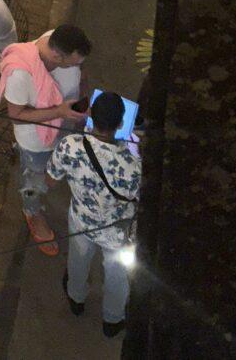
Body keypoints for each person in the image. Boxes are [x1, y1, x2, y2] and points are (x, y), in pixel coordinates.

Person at [49, 91, 141, 336]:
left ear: (90, 115)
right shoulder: (133, 166)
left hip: (81, 220)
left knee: (77, 262)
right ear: (121, 124)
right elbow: (141, 198)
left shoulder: (70, 146)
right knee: (117, 276)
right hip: (117, 233)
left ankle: (76, 299)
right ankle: (112, 320)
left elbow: (51, 178)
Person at [0, 25, 93, 253]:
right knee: (33, 180)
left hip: (66, 124)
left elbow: (82, 75)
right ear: (56, 56)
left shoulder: (58, 42)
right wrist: (59, 112)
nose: (74, 67)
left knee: (56, 169)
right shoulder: (20, 74)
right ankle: (32, 212)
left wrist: (83, 100)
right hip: (36, 142)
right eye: (71, 63)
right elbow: (17, 115)